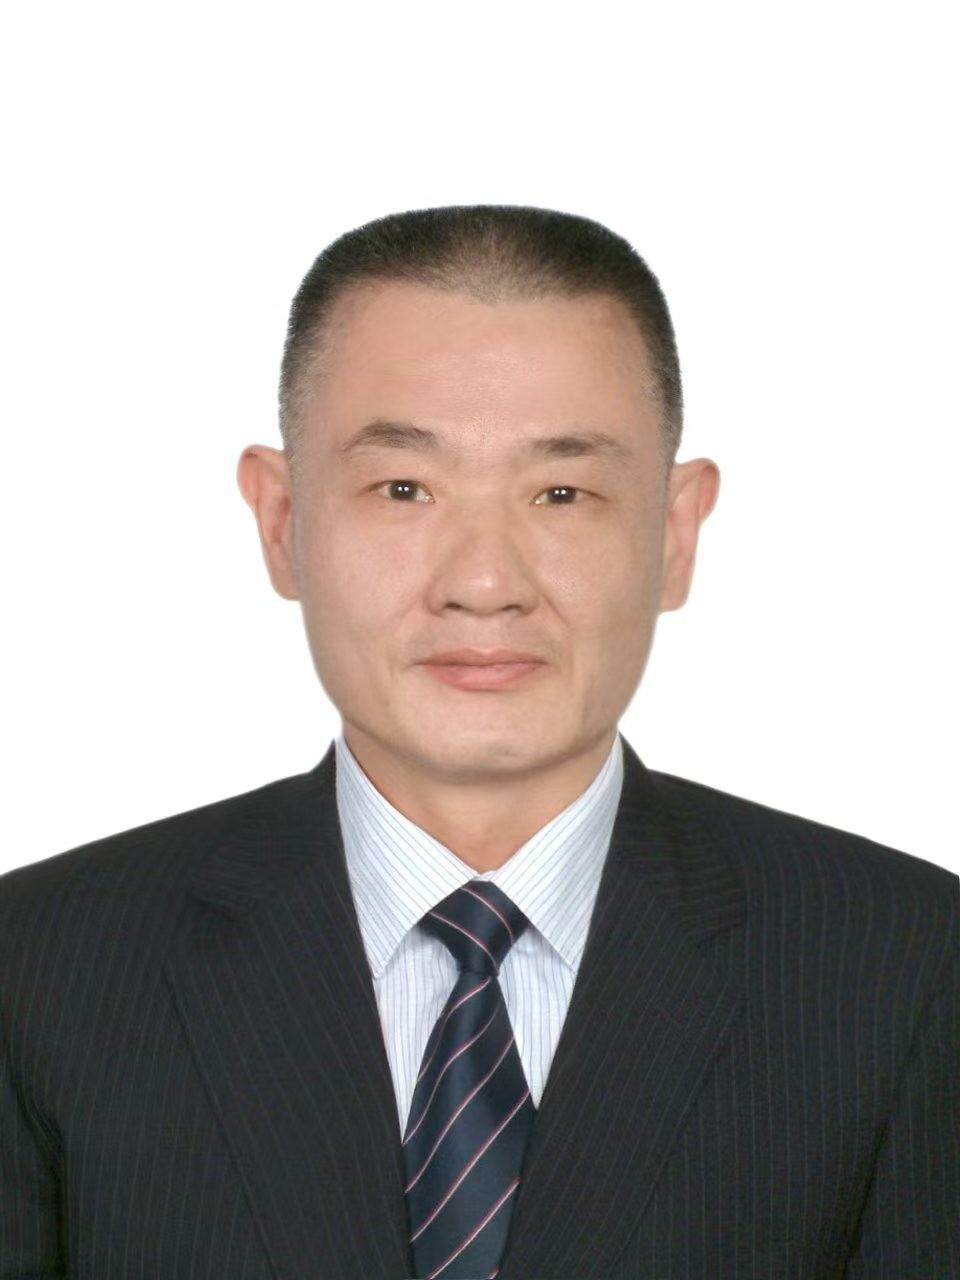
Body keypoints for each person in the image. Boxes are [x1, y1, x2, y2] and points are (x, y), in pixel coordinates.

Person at [1, 204, 956, 1280]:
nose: (486, 582)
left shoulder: (906, 967)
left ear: (675, 533)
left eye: (563, 492)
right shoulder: (39, 970)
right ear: (281, 520)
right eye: (403, 488)